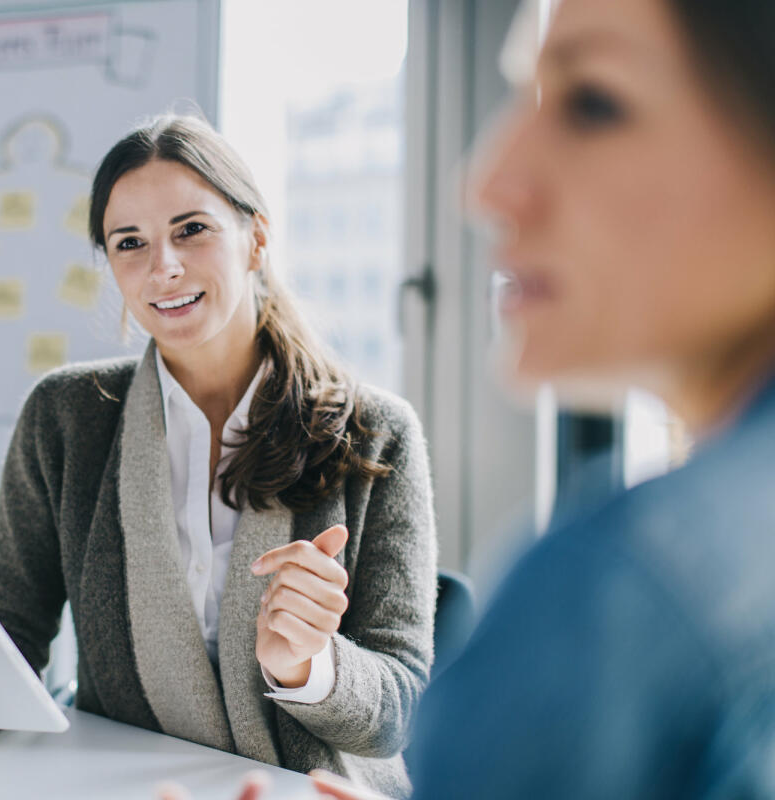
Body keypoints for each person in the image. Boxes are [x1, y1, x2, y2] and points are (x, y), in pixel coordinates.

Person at [205, 0, 775, 797]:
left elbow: (398, 691)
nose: (486, 184)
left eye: (593, 103)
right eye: (127, 241)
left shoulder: (622, 586)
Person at [0, 115, 438, 798]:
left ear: (256, 239)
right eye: (130, 243)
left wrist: (309, 664)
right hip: (125, 782)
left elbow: (401, 707)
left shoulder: (376, 432)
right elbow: (10, 627)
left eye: (192, 229)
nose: (165, 266)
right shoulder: (65, 417)